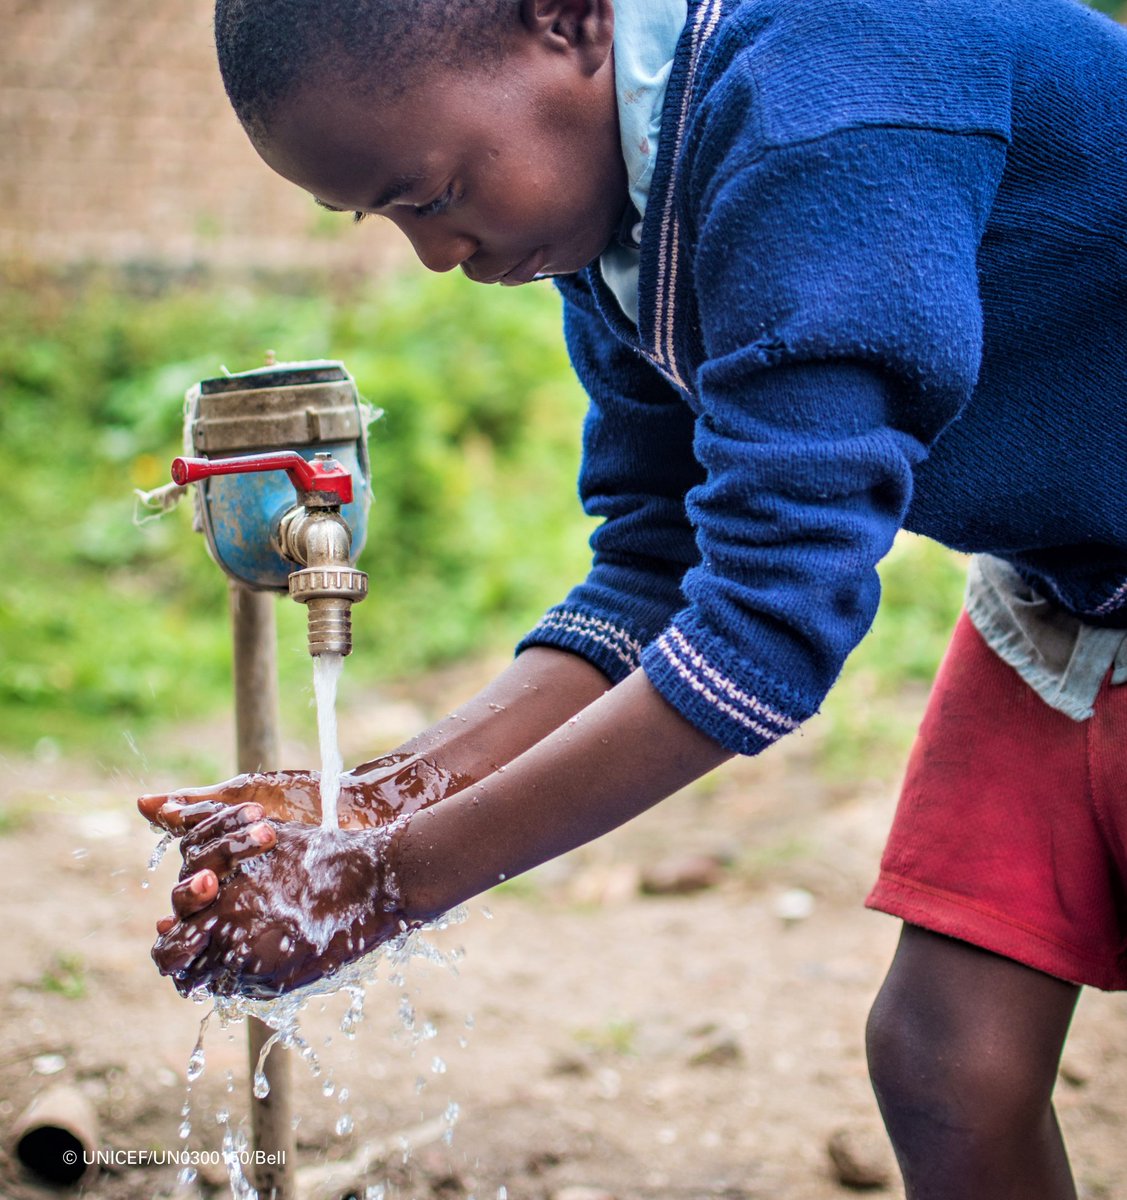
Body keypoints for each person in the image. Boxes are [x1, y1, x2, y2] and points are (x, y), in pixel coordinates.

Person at [139, 0, 1127, 1193]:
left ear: (563, 24)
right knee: (944, 1064)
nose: (433, 256)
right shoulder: (619, 205)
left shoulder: (828, 103)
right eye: (381, 218)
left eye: (431, 194)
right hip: (1066, 600)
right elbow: (656, 568)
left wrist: (379, 884)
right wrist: (362, 804)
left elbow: (766, 624)